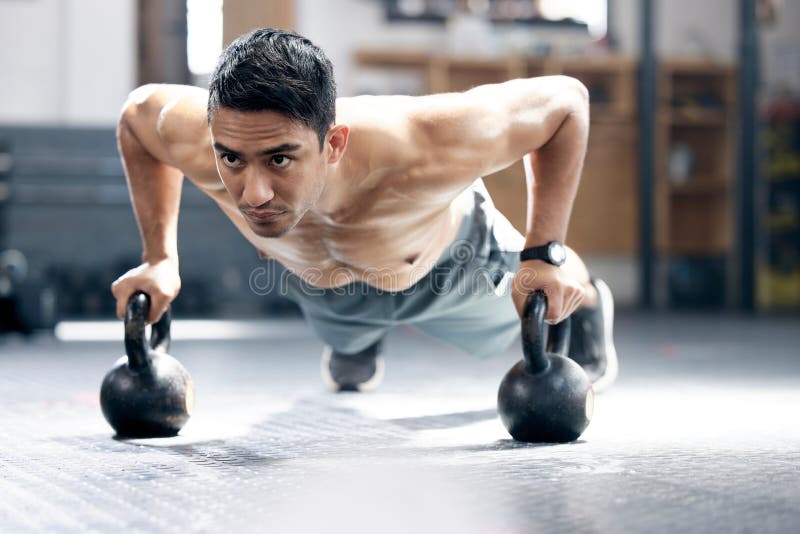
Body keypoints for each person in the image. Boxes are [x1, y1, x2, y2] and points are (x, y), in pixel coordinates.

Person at [111, 28, 618, 393]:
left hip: (453, 271)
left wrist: (544, 253)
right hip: (321, 287)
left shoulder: (426, 141)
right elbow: (137, 116)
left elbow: (565, 102)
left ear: (333, 143)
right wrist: (159, 258)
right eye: (232, 160)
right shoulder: (203, 137)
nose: (253, 194)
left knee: (546, 289)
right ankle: (358, 339)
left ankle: (588, 299)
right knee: (345, 353)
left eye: (280, 159)